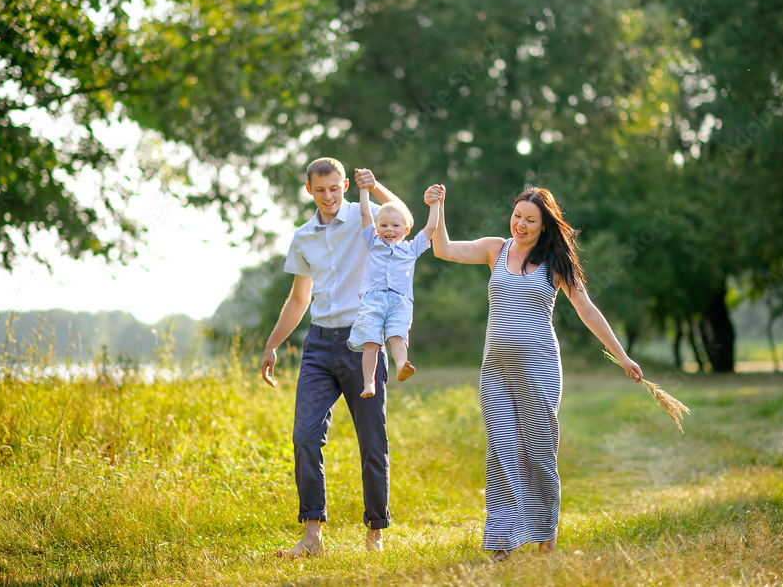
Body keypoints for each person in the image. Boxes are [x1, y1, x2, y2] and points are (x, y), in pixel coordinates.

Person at [430, 184, 644, 561]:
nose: (521, 225)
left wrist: (622, 356)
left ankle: (546, 539)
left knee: (539, 454)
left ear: (544, 226)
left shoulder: (555, 263)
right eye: (517, 216)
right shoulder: (495, 249)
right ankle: (502, 542)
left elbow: (587, 310)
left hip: (539, 368)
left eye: (530, 220)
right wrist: (438, 207)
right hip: (494, 369)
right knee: (501, 451)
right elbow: (443, 249)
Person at [259, 157, 407, 558]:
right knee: (304, 436)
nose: (328, 196)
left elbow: (403, 215)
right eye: (320, 189)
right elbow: (298, 298)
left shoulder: (367, 217)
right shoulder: (303, 236)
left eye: (334, 188)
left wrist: (374, 188)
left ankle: (375, 533)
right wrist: (272, 344)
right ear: (309, 190)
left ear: (344, 184)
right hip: (318, 345)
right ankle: (312, 536)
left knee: (372, 441)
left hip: (362, 343)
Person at [349, 184, 442, 398]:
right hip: (373, 301)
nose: (389, 229)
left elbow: (430, 228)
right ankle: (368, 383)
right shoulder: (373, 243)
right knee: (370, 343)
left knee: (397, 337)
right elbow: (365, 213)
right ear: (377, 227)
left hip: (400, 302)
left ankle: (401, 366)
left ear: (406, 230)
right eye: (383, 225)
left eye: (395, 225)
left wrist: (435, 204)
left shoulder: (411, 249)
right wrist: (364, 190)